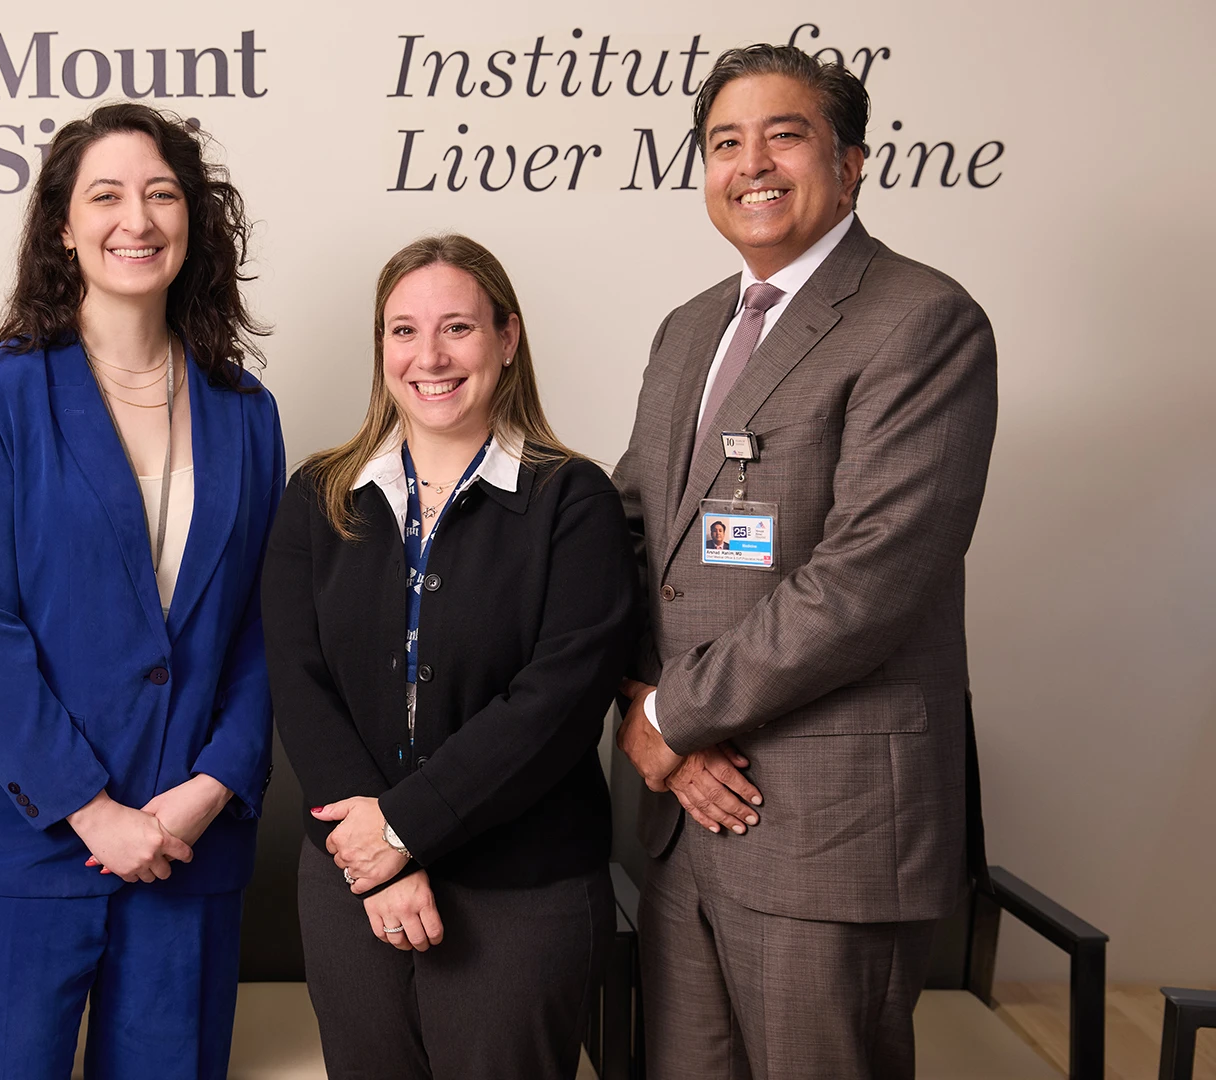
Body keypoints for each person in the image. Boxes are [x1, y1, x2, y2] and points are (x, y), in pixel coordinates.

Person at [611, 44, 998, 1080]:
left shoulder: (922, 320)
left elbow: (868, 579)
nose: (752, 164)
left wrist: (669, 718)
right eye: (724, 142)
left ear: (852, 161)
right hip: (681, 815)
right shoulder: (689, 329)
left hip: (831, 831)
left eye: (784, 135)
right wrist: (644, 705)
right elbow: (629, 535)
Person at [0, 102, 282, 1079]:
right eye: (107, 196)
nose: (138, 219)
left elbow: (265, 625)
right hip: (28, 843)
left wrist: (211, 789)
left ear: (193, 219)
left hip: (189, 842)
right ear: (61, 225)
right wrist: (91, 811)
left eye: (162, 194)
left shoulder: (246, 412)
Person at [263, 234, 638, 1078]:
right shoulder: (318, 497)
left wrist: (403, 830)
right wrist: (375, 857)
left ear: (507, 339)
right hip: (349, 882)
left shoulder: (574, 499)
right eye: (403, 331)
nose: (428, 356)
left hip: (522, 891)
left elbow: (558, 703)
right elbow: (299, 681)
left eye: (457, 328)